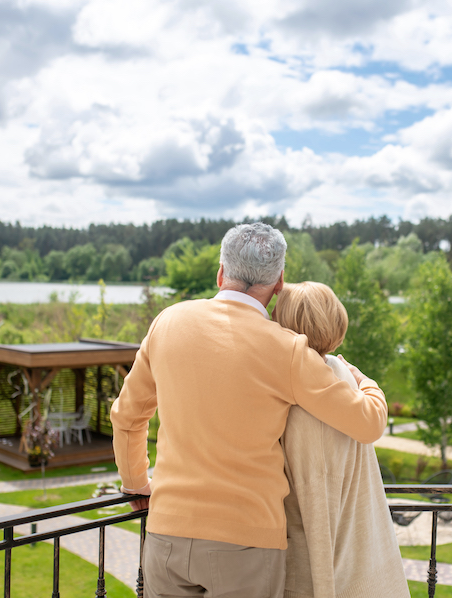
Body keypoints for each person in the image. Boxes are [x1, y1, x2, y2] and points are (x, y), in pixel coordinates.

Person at [110, 222, 388, 598]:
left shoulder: (167, 322)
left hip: (166, 534)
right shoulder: (287, 350)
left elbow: (127, 417)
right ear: (278, 283)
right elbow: (368, 424)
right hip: (247, 544)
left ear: (221, 271)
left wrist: (136, 483)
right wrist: (363, 381)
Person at [274, 282, 410, 598]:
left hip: (316, 573)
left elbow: (316, 495)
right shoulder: (343, 373)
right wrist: (367, 381)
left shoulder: (299, 400)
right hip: (360, 562)